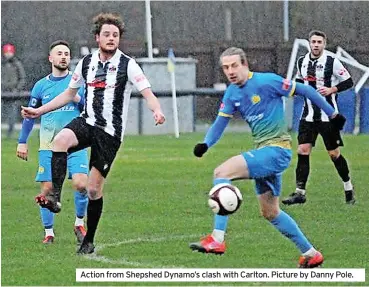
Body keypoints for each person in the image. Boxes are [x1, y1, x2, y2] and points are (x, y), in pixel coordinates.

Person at [21, 13, 166, 254]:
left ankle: (89, 241)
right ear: (97, 37)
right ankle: (55, 196)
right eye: (107, 34)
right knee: (59, 141)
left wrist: (157, 110)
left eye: (115, 35)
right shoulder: (86, 63)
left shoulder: (127, 64)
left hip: (109, 134)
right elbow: (69, 94)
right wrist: (38, 112)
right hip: (87, 122)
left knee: (92, 190)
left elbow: (147, 91)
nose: (111, 38)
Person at [189, 47, 346, 268]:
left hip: (277, 150)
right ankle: (311, 253)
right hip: (266, 153)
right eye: (225, 67)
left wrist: (332, 114)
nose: (230, 71)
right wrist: (205, 144)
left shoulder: (267, 81)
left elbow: (307, 91)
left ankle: (217, 238)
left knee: (221, 172)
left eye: (234, 65)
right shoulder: (232, 93)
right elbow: (219, 125)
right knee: (270, 212)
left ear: (245, 64)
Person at [16, 40, 89, 244]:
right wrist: (23, 141)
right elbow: (30, 115)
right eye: (59, 53)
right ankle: (49, 233)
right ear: (51, 58)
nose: (64, 56)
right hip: (49, 145)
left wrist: (79, 100)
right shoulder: (41, 86)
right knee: (47, 190)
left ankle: (79, 223)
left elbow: (89, 109)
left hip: (76, 143)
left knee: (81, 184)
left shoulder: (77, 83)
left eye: (66, 53)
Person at [282, 30, 355, 206]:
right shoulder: (302, 62)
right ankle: (300, 192)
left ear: (324, 44)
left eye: (319, 42)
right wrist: (291, 90)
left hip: (328, 116)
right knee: (303, 150)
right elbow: (299, 83)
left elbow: (349, 81)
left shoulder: (332, 62)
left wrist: (332, 90)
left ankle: (348, 187)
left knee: (334, 154)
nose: (316, 45)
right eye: (313, 42)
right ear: (309, 43)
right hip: (307, 117)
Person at [1, 43, 26, 138]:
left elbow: (22, 78)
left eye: (9, 52)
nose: (8, 54)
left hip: (13, 93)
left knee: (12, 113)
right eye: (6, 52)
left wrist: (17, 89)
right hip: (2, 92)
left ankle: (10, 132)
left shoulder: (17, 64)